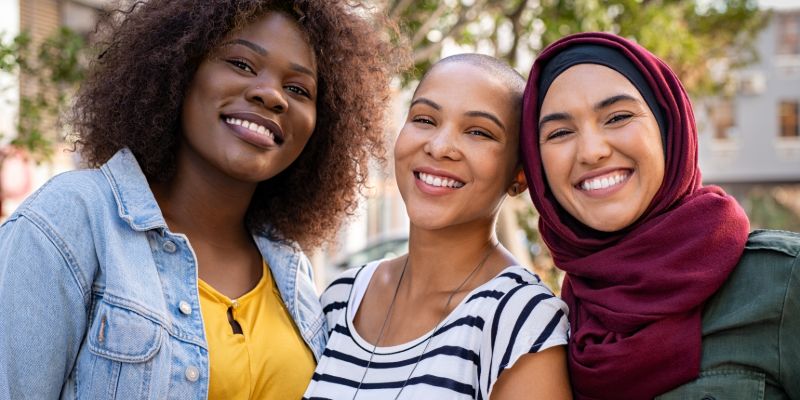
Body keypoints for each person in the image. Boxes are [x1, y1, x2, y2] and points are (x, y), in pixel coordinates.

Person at [0, 0, 405, 398]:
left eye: (298, 89)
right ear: (179, 69)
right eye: (241, 64)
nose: (272, 95)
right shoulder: (73, 220)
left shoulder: (288, 267)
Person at [520, 31, 800, 399]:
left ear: (669, 129)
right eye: (559, 132)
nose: (591, 151)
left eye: (617, 117)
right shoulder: (548, 328)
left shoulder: (782, 282)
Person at [303, 54, 572, 400]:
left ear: (520, 175)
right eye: (425, 119)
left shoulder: (522, 319)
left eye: (478, 132)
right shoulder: (342, 298)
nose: (440, 146)